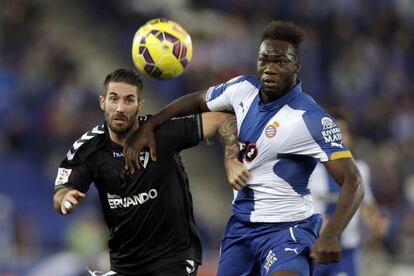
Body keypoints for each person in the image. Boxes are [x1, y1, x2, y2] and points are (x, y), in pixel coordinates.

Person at [123, 20, 365, 276]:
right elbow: (197, 100)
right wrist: (151, 124)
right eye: (264, 60)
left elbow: (353, 180)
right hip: (241, 230)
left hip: (288, 231)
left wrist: (331, 234)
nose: (269, 69)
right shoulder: (242, 89)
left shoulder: (311, 118)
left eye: (280, 62)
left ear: (296, 67)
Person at [53, 68, 243, 276]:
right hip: (124, 265)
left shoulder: (160, 133)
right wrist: (65, 198)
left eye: (128, 100)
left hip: (173, 259)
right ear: (102, 102)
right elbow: (62, 189)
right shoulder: (88, 147)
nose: (119, 108)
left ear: (139, 105)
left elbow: (222, 120)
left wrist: (231, 158)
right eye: (113, 99)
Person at [309, 110, 389, 276]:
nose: (337, 138)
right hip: (313, 251)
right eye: (332, 133)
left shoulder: (361, 170)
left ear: (350, 138)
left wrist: (376, 223)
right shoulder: (308, 171)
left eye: (342, 133)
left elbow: (367, 207)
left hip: (346, 253)